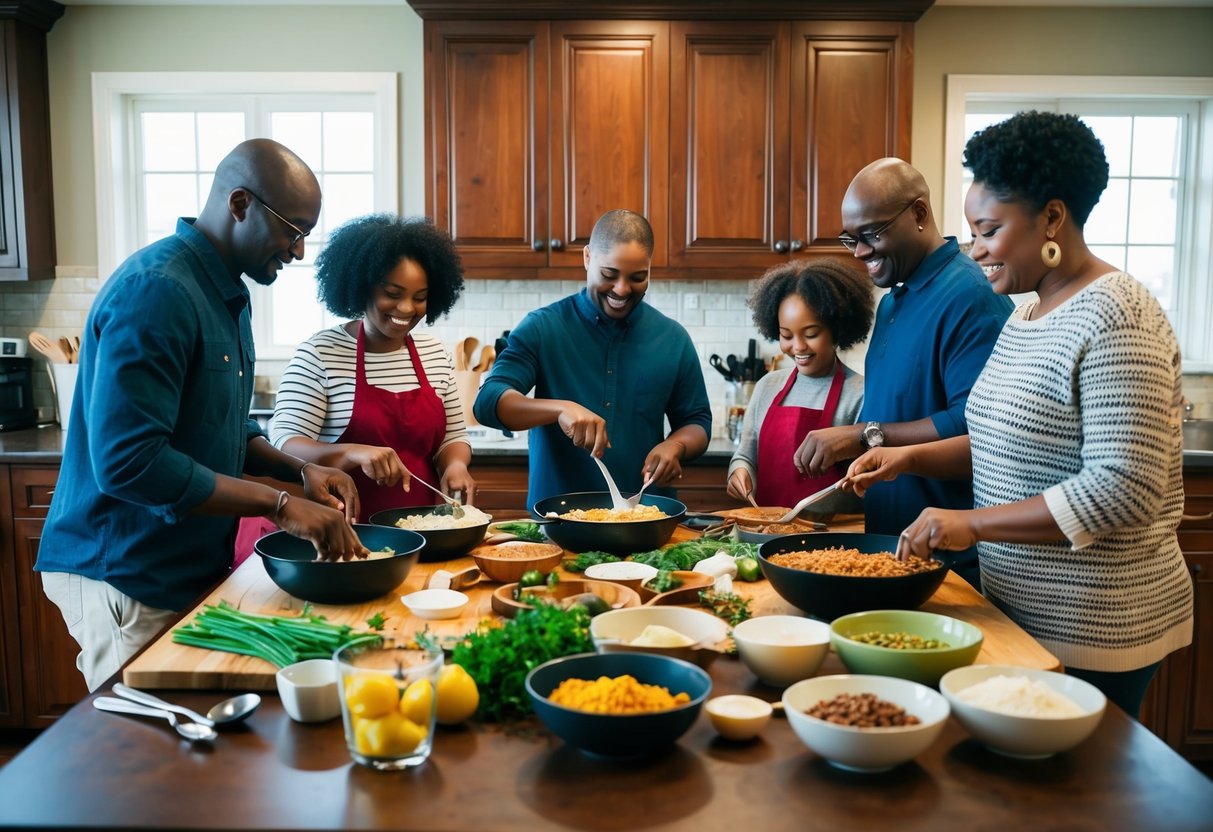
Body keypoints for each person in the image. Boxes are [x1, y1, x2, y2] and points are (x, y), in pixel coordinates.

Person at [845, 111, 1193, 716]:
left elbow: (1124, 491)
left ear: (1052, 218)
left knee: (1081, 799)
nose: (975, 249)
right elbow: (1000, 441)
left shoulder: (1118, 313)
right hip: (1019, 610)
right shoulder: (1027, 316)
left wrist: (974, 524)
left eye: (989, 230)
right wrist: (908, 458)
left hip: (1096, 622)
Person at [35, 139, 368, 692]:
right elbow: (130, 464)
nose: (300, 251)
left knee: (187, 756)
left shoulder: (224, 295)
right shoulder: (158, 292)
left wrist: (297, 470)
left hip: (180, 570)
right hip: (126, 572)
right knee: (140, 754)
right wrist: (281, 506)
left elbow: (222, 425)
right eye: (293, 229)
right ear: (240, 203)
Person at [794, 158, 1013, 588]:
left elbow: (977, 426)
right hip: (893, 551)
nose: (859, 252)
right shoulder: (894, 300)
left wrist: (862, 435)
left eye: (871, 234)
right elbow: (899, 409)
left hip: (951, 563)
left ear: (918, 214)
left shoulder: (970, 296)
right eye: (851, 239)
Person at [473, 209, 712, 506]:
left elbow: (697, 421)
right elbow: (487, 402)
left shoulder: (673, 339)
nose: (622, 289)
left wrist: (676, 445)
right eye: (609, 275)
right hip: (557, 521)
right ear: (587, 258)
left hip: (647, 520)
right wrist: (559, 409)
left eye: (638, 277)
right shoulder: (542, 328)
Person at [268, 214, 473, 522]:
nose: (406, 308)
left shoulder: (434, 353)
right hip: (346, 531)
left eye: (420, 298)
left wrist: (455, 465)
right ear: (361, 288)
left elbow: (453, 437)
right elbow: (285, 443)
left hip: (429, 526)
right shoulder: (321, 353)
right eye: (392, 294)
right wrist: (350, 452)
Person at [726, 258, 873, 515]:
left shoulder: (860, 393)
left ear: (837, 330)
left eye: (811, 334)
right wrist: (739, 472)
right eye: (786, 335)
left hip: (832, 540)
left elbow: (870, 475)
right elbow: (745, 456)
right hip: (767, 531)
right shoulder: (767, 387)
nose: (798, 347)